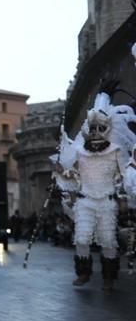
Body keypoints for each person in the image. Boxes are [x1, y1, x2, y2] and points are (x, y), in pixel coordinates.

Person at [58, 83, 133, 291]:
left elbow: (124, 174)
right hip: (85, 200)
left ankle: (109, 277)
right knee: (81, 238)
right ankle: (83, 273)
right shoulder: (80, 152)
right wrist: (64, 172)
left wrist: (125, 195)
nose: (96, 132)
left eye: (100, 128)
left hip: (107, 201)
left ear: (107, 129)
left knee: (108, 240)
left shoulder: (116, 151)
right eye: (93, 128)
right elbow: (71, 172)